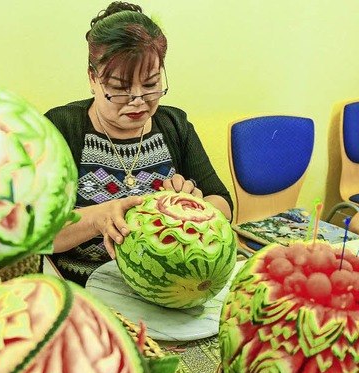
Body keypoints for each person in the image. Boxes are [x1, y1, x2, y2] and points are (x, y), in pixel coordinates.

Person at [45, 1, 233, 286]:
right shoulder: (62, 127)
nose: (138, 101)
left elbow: (223, 204)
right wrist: (99, 217)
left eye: (150, 85)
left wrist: (191, 207)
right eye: (119, 88)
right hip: (79, 286)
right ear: (92, 78)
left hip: (165, 289)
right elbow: (36, 232)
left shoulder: (175, 125)